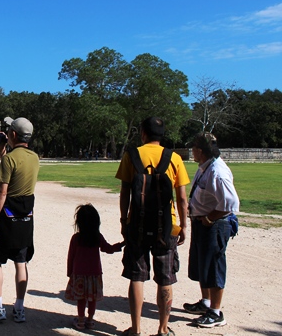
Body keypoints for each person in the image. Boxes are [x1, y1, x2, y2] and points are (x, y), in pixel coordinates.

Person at [116, 117, 190, 336]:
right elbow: (182, 198)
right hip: (166, 227)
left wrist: (123, 221)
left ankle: (136, 329)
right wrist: (184, 226)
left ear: (143, 133)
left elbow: (125, 192)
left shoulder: (131, 155)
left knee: (136, 276)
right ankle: (163, 329)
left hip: (136, 225)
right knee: (165, 278)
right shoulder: (174, 158)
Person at [0, 116, 39, 323]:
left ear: (13, 134)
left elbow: (2, 192)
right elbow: (16, 169)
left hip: (6, 216)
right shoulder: (34, 157)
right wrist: (3, 149)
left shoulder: (10, 160)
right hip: (24, 216)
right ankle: (19, 308)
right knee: (21, 261)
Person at [183, 132, 240, 328]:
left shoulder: (218, 171)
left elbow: (230, 203)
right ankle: (206, 303)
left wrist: (208, 218)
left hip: (214, 225)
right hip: (202, 223)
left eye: (193, 148)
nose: (192, 151)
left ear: (200, 150)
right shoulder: (205, 167)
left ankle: (216, 313)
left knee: (214, 266)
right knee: (203, 264)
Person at [65, 204, 124, 330]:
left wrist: (70, 272)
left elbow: (71, 256)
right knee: (92, 299)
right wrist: (121, 245)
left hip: (79, 273)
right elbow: (108, 249)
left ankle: (81, 320)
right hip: (94, 274)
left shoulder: (76, 238)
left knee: (81, 299)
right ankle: (90, 320)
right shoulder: (97, 237)